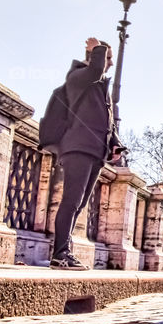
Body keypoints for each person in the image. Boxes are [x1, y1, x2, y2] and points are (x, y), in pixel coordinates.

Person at [50, 37, 124, 270]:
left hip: (95, 151)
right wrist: (97, 50)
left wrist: (115, 143)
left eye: (109, 58)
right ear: (93, 56)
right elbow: (94, 71)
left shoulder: (101, 87)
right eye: (107, 58)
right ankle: (60, 254)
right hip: (78, 147)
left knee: (79, 204)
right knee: (71, 201)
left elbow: (107, 121)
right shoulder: (79, 77)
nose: (109, 63)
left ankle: (65, 252)